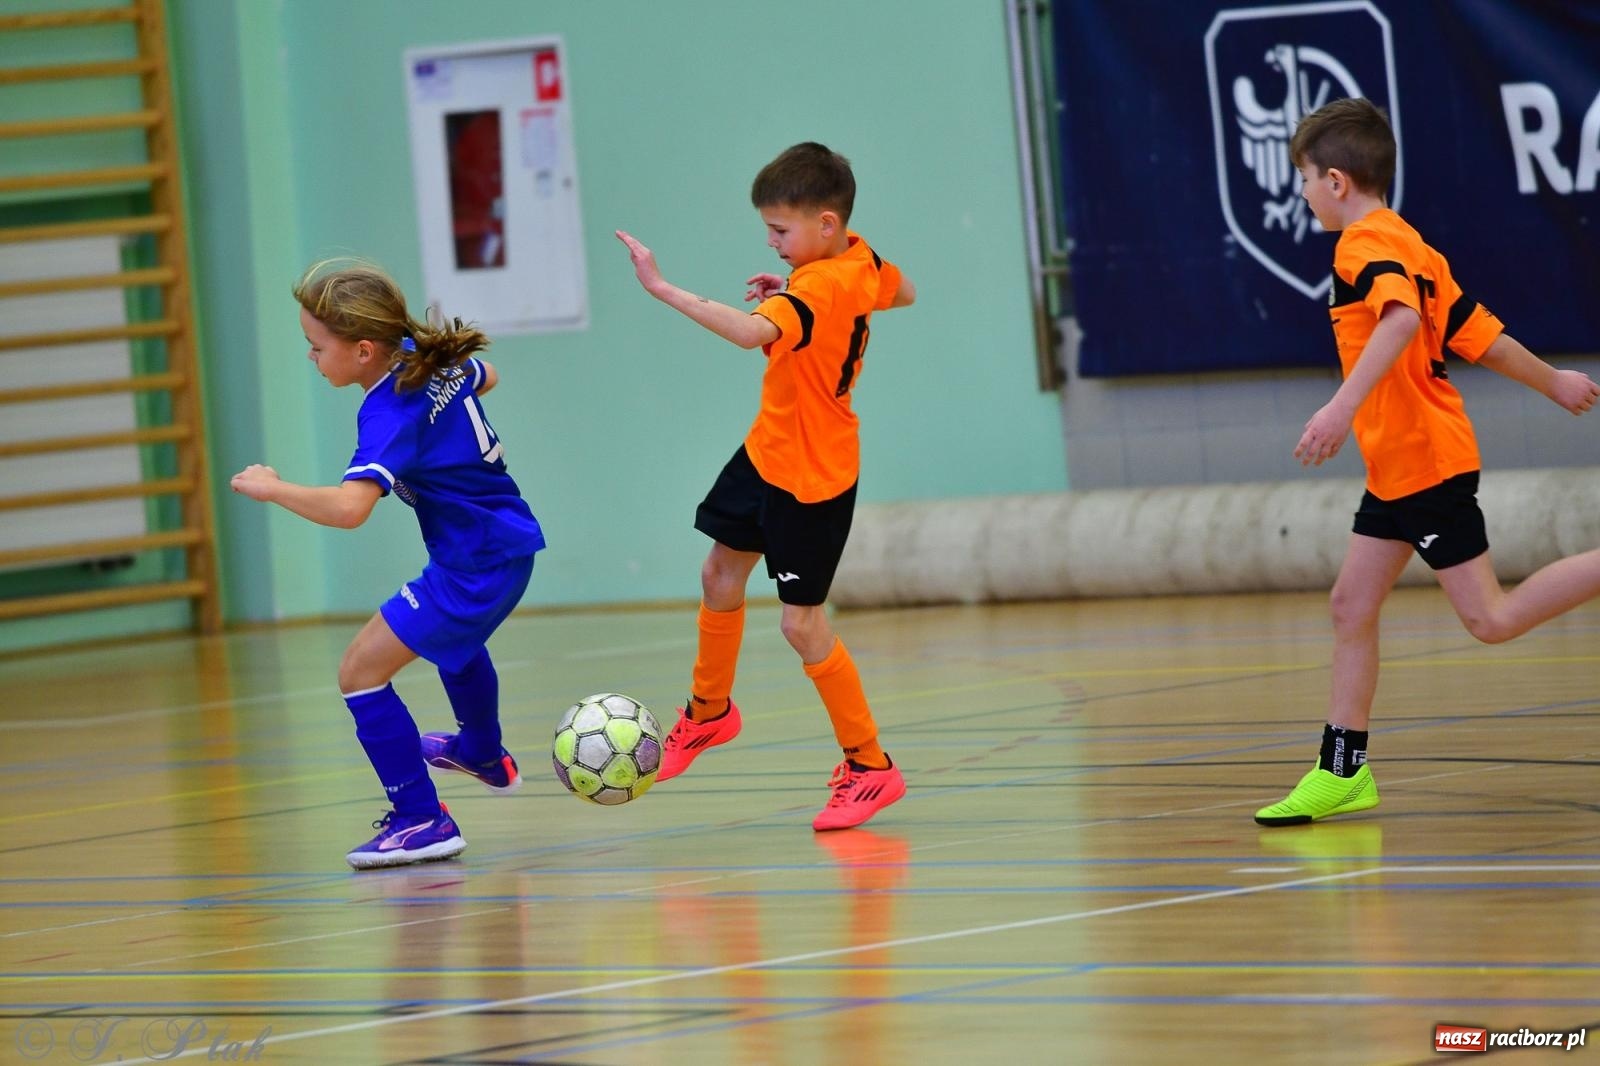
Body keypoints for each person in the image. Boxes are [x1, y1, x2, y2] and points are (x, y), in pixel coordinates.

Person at [1255, 98, 1600, 826]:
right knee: (1351, 604)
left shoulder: (1361, 247)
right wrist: (1555, 381)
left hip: (1424, 462)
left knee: (1492, 618)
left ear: (1339, 181)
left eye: (1305, 179)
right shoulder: (1412, 243)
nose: (1304, 192)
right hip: (1402, 466)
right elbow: (1480, 335)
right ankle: (1343, 768)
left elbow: (1405, 320)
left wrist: (1340, 408)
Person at [615, 142, 916, 830]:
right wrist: (815, 302)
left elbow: (751, 333)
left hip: (814, 472)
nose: (773, 243)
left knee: (799, 623)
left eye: (781, 231)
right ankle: (709, 714)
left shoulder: (821, 285)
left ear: (827, 223)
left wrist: (664, 288)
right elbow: (901, 291)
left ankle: (871, 767)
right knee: (720, 571)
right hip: (768, 449)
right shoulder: (855, 263)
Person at [231, 260, 545, 867]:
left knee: (359, 673)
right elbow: (489, 376)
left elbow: (352, 509)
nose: (312, 358)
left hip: (475, 564)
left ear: (364, 350)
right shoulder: (424, 355)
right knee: (456, 642)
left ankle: (421, 818)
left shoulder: (386, 410)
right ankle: (482, 751)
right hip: (502, 545)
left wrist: (275, 488)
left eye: (316, 347)